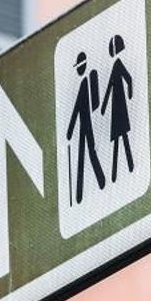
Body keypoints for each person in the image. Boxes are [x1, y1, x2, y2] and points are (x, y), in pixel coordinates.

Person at [64, 48, 105, 202]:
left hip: (89, 124)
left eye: (80, 66)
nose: (79, 69)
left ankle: (100, 180)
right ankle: (80, 193)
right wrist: (70, 130)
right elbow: (76, 109)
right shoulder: (80, 84)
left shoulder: (91, 78)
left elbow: (94, 104)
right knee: (82, 156)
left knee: (90, 154)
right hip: (82, 126)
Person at [102, 33, 136, 181]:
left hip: (120, 107)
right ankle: (116, 173)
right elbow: (109, 88)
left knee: (123, 138)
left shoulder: (119, 64)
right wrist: (103, 107)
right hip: (116, 108)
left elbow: (128, 79)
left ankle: (128, 166)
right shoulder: (115, 65)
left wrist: (129, 95)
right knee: (118, 139)